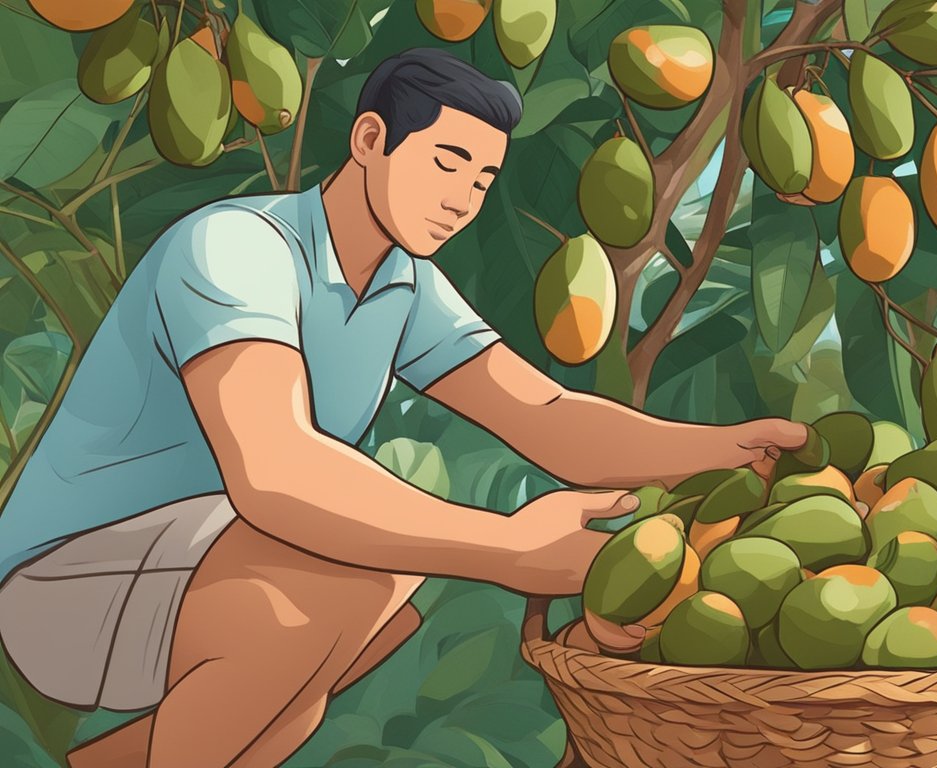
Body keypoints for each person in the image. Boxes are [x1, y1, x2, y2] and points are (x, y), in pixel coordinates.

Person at [0, 48, 807, 768]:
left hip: (200, 565)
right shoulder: (237, 248)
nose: (463, 199)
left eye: (483, 181)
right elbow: (275, 473)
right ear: (370, 141)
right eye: (447, 163)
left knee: (373, 603)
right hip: (69, 576)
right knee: (338, 590)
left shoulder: (403, 282)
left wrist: (731, 449)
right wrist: (508, 548)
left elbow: (551, 417)